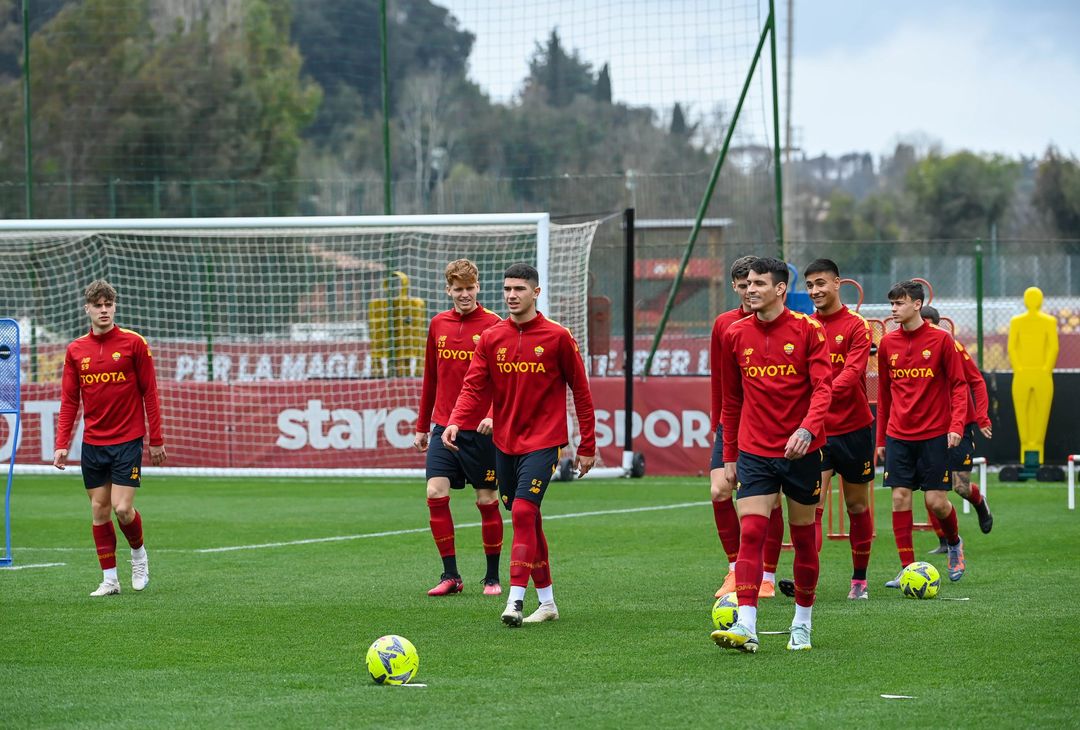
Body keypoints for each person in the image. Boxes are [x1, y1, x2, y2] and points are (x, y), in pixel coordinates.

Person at [443, 263, 596, 627]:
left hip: (545, 442)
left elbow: (582, 391)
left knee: (525, 513)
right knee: (528, 519)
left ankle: (515, 600)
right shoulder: (493, 338)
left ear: (536, 293)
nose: (512, 295)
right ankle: (548, 603)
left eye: (519, 289)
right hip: (505, 444)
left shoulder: (558, 336)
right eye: (508, 289)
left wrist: (587, 444)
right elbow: (473, 386)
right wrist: (454, 420)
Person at [711, 257, 832, 653]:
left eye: (759, 283)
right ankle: (747, 624)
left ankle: (802, 622)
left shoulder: (808, 329)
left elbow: (823, 389)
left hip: (802, 451)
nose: (750, 289)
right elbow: (731, 400)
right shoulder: (735, 333)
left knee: (802, 539)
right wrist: (729, 455)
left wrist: (807, 428)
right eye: (746, 283)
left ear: (780, 289)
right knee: (751, 533)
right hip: (754, 450)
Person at [53, 279, 166, 596]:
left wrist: (156, 439)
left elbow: (150, 394)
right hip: (93, 444)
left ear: (114, 307)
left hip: (128, 441)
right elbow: (70, 401)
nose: (104, 310)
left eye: (108, 305)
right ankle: (110, 580)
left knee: (122, 509)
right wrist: (62, 444)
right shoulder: (76, 350)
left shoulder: (134, 343)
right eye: (98, 305)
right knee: (99, 511)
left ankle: (139, 555)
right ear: (87, 308)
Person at [414, 259, 505, 597]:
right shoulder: (438, 324)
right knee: (435, 493)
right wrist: (423, 426)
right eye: (458, 289)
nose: (464, 294)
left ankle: (492, 577)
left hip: (482, 431)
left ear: (478, 287)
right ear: (447, 289)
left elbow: (505, 380)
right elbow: (431, 378)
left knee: (486, 500)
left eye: (469, 288)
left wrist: (494, 414)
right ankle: (450, 575)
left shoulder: (495, 325)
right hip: (443, 426)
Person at [875, 282, 969, 587]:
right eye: (891, 304)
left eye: (899, 303)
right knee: (900, 498)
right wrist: (880, 440)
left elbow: (959, 385)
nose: (893, 309)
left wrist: (956, 426)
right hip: (898, 434)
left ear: (917, 304)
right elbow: (885, 395)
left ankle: (954, 543)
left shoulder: (942, 341)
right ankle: (908, 568)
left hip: (934, 435)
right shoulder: (888, 343)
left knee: (936, 502)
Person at [804, 259, 876, 600]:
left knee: (857, 507)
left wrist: (821, 393)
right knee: (813, 504)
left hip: (855, 429)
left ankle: (859, 580)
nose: (815, 290)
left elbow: (851, 374)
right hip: (817, 431)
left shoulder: (858, 326)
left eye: (821, 283)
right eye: (809, 285)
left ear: (837, 283)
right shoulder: (803, 326)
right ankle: (808, 580)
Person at [919, 305, 994, 550]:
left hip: (959, 426)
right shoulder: (910, 349)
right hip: (928, 427)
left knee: (959, 486)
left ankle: (979, 502)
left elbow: (977, 382)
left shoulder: (952, 346)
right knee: (929, 488)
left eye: (929, 322)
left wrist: (982, 417)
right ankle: (944, 541)